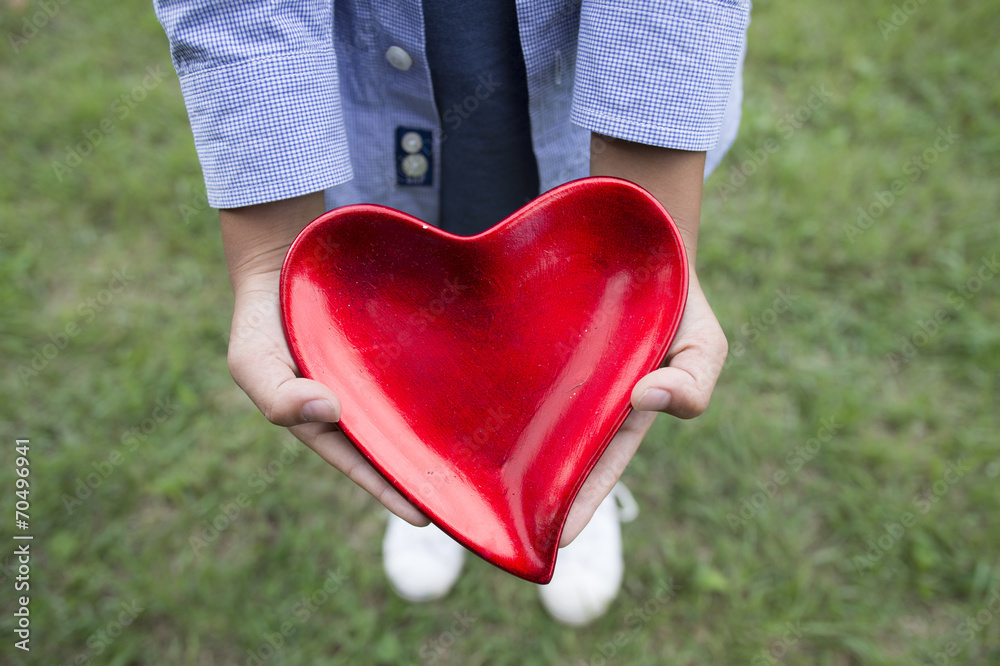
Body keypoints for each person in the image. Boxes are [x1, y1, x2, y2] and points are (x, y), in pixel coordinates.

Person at [154, 0, 749, 626]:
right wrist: (271, 251)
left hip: (592, 107)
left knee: (582, 330)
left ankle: (566, 476)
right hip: (371, 107)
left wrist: (644, 231)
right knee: (406, 323)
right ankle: (431, 467)